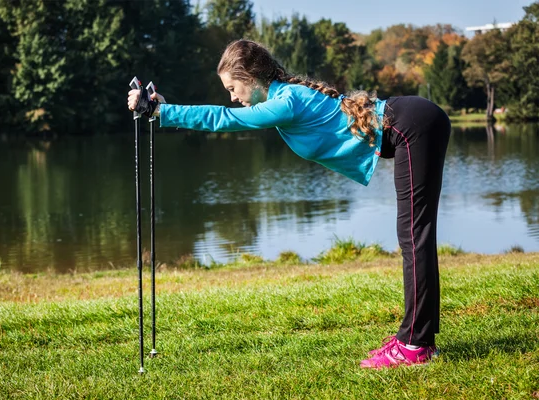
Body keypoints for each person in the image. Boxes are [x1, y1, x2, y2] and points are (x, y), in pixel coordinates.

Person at [127, 39, 450, 369]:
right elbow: (223, 113)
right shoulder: (285, 96)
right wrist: (162, 108)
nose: (233, 97)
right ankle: (415, 338)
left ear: (251, 78)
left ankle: (415, 345)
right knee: (414, 236)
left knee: (413, 236)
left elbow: (224, 119)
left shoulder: (287, 102)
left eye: (233, 87)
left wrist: (161, 112)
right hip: (413, 122)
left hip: (411, 126)